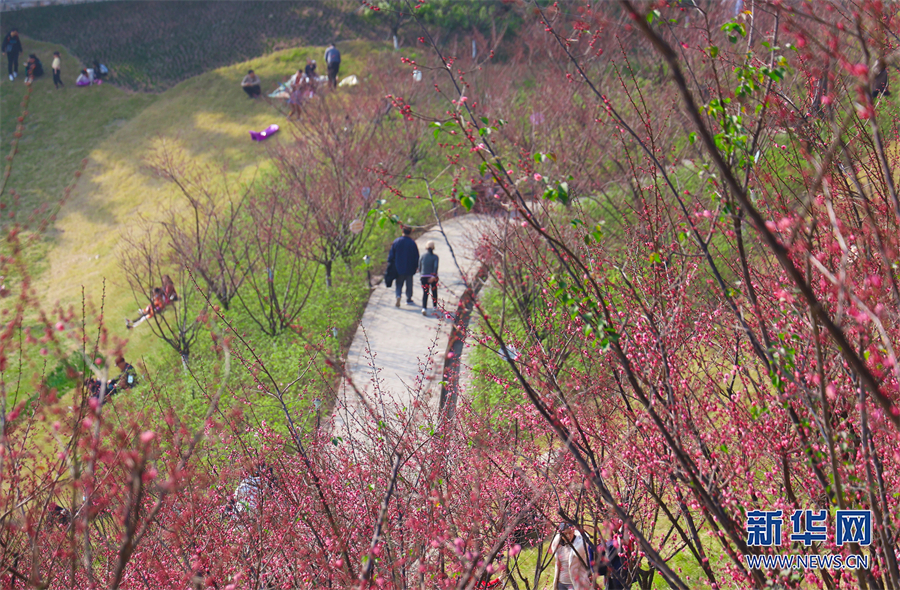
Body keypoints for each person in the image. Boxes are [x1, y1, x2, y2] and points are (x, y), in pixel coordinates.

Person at [550, 523, 592, 590]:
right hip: (561, 582)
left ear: (573, 531)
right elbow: (558, 564)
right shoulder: (558, 545)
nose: (568, 536)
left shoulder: (580, 545)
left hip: (575, 584)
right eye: (565, 534)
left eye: (570, 533)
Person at [387, 226, 419, 307]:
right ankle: (408, 299)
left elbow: (391, 256)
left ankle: (398, 295)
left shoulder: (396, 242)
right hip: (410, 267)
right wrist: (416, 266)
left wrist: (390, 265)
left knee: (399, 283)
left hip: (398, 267)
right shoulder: (412, 243)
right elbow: (416, 256)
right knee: (409, 284)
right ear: (410, 232)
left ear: (402, 231)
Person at [418, 240, 439, 316]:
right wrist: (433, 276)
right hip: (432, 276)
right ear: (433, 248)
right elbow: (435, 266)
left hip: (424, 276)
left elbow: (419, 266)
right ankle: (434, 306)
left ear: (426, 247)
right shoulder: (435, 257)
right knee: (434, 291)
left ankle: (424, 308)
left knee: (425, 292)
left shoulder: (422, 256)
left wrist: (421, 273)